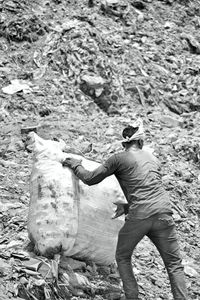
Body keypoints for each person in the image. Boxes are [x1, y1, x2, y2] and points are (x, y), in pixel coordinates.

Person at [62, 119, 188, 300]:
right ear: (141, 142)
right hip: (163, 214)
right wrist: (128, 205)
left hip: (141, 216)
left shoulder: (118, 158)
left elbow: (90, 179)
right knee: (174, 264)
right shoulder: (153, 158)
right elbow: (147, 187)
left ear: (124, 143)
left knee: (122, 256)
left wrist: (76, 164)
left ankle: (132, 297)